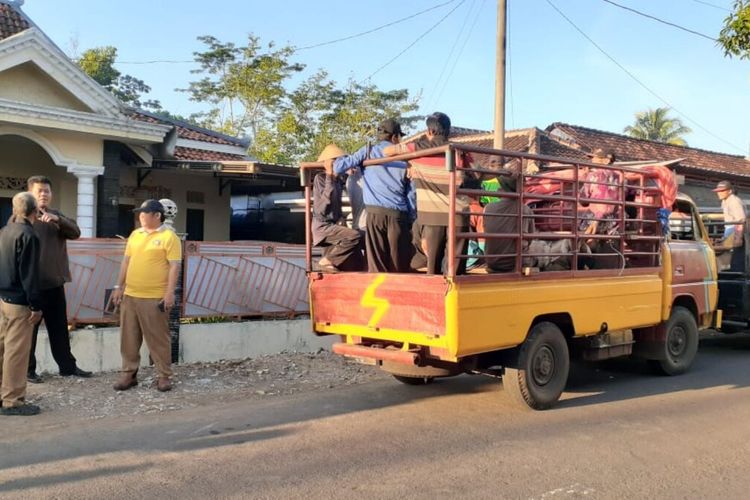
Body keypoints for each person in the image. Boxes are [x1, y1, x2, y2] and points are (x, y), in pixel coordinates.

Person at [384, 112, 472, 275]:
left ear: (429, 131)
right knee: (456, 269)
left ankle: (437, 297)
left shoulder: (419, 149)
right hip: (458, 215)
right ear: (449, 130)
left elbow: (387, 151)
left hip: (432, 217)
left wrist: (412, 160)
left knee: (433, 266)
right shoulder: (460, 151)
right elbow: (475, 175)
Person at [24, 175, 91, 383]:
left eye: (47, 191)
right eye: (39, 191)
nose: (44, 194)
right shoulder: (23, 218)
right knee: (30, 331)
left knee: (59, 328)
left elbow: (76, 232)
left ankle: (67, 367)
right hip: (32, 286)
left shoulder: (56, 216)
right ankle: (28, 370)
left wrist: (58, 220)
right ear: (30, 194)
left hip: (55, 283)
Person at [111, 200, 182, 392]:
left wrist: (169, 293)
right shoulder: (135, 235)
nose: (140, 216)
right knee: (129, 337)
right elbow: (126, 262)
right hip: (131, 295)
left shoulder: (169, 237)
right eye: (140, 213)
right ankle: (128, 374)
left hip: (154, 297)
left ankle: (164, 375)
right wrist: (119, 286)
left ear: (157, 215)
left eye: (144, 213)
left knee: (158, 339)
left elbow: (175, 266)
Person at [333, 119, 414, 272]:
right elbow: (411, 193)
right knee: (398, 263)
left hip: (375, 215)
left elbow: (338, 166)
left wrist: (348, 160)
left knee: (377, 262)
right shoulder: (406, 157)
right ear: (396, 137)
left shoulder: (368, 151)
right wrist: (411, 218)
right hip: (398, 215)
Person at [0, 192, 43, 415]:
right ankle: (13, 400)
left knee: (3, 349)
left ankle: (2, 394)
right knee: (16, 353)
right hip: (19, 302)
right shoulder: (29, 236)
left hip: (2, 299)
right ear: (34, 211)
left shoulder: (4, 231)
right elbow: (29, 275)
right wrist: (36, 306)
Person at [484, 175, 571, 272]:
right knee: (544, 249)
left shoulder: (488, 208)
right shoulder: (525, 210)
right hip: (515, 262)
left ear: (503, 189)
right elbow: (530, 238)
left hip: (491, 261)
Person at [312, 144, 365, 272]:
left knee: (362, 240)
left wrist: (340, 217)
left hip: (333, 225)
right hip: (323, 226)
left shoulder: (338, 181)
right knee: (354, 236)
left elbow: (337, 204)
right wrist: (330, 175)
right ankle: (325, 261)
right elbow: (323, 206)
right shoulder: (321, 178)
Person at [713, 180, 747, 270]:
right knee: (729, 255)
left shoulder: (734, 201)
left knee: (736, 257)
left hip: (736, 231)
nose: (719, 193)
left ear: (730, 191)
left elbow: (740, 219)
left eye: (722, 191)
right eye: (718, 191)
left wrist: (738, 237)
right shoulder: (725, 201)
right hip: (730, 230)